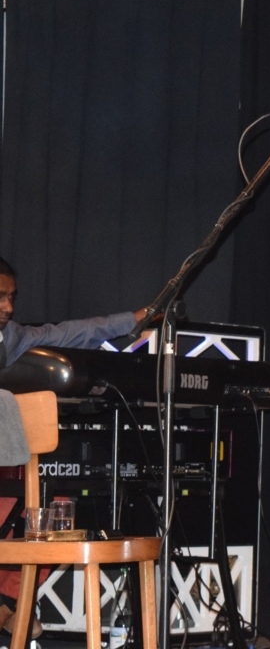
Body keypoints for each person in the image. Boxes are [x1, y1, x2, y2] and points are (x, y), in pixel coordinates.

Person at [0, 255, 150, 636]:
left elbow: (70, 333)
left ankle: (8, 606)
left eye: (12, 297)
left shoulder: (11, 337)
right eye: (0, 296)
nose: (9, 307)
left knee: (52, 509)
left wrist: (133, 320)